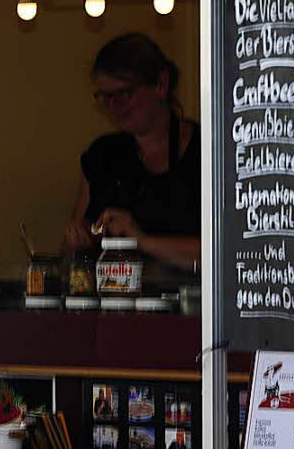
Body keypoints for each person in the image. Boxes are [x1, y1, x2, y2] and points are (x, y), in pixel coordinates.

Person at [60, 33, 200, 284]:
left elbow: (225, 255)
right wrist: (75, 245)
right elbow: (70, 256)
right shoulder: (103, 156)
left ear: (161, 83)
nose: (114, 106)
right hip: (114, 306)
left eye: (124, 94)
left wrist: (141, 241)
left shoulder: (205, 155)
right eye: (104, 97)